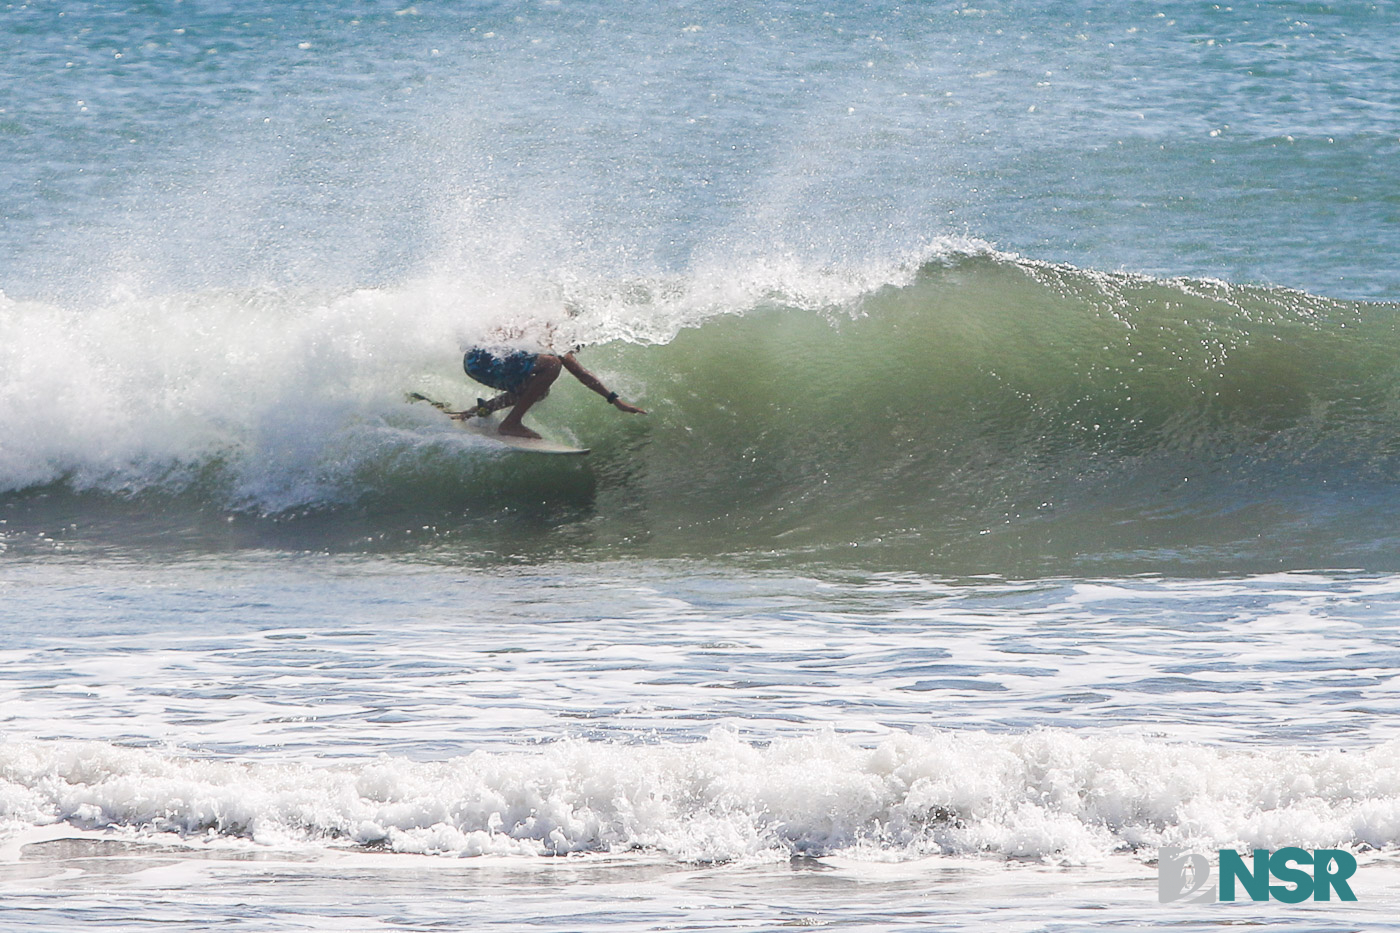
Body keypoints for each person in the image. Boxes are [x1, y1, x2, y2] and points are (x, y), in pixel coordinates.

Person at [461, 346, 645, 439]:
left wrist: (615, 401)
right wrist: (616, 401)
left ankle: (482, 409)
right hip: (485, 361)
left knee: (537, 391)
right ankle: (511, 423)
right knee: (552, 364)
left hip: (473, 364)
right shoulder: (558, 334)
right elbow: (582, 374)